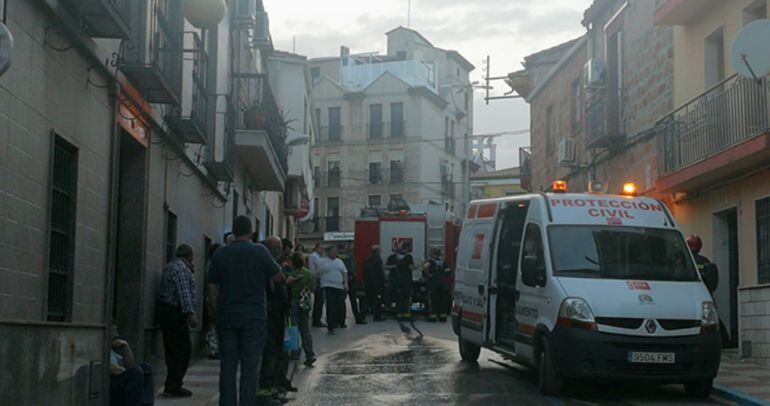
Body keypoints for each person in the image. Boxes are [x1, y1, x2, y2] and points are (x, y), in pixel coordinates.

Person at [208, 217, 285, 406]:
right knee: (250, 367)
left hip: (227, 314)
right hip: (254, 316)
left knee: (227, 365)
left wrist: (214, 312)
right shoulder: (260, 251)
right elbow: (279, 277)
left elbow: (211, 288)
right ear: (251, 233)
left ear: (233, 232)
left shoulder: (221, 254)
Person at [257, 237, 296, 404]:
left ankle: (276, 385)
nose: (279, 249)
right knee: (270, 353)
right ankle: (266, 390)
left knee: (280, 351)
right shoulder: (267, 265)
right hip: (271, 315)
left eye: (280, 246)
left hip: (280, 314)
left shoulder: (278, 264)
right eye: (275, 247)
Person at [156, 244, 198, 398]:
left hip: (166, 312)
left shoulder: (171, 266)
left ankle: (172, 384)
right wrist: (191, 314)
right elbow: (184, 292)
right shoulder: (181, 269)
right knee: (183, 350)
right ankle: (174, 385)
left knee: (173, 350)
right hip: (174, 313)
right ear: (190, 256)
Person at [109, 324, 154, 406]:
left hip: (121, 379)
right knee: (135, 372)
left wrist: (125, 346)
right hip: (110, 385)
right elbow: (112, 369)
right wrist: (128, 372)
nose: (117, 334)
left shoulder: (112, 350)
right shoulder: (102, 349)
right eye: (114, 330)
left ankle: (147, 404)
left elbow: (131, 365)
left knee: (145, 367)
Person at [287, 252, 317, 366]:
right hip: (305, 303)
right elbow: (313, 289)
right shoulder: (309, 274)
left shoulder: (291, 273)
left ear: (292, 262)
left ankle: (295, 353)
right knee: (305, 330)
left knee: (293, 329)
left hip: (293, 302)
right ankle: (310, 354)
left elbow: (286, 283)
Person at [317, 246, 349, 335]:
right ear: (328, 253)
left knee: (339, 305)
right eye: (333, 252)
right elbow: (318, 274)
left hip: (339, 286)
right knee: (330, 306)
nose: (335, 253)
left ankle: (340, 322)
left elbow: (345, 272)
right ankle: (331, 326)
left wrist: (346, 283)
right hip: (328, 286)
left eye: (336, 252)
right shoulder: (323, 262)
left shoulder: (339, 262)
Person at [339, 245, 366, 325]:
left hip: (342, 280)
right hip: (351, 280)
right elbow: (353, 268)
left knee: (341, 301)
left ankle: (341, 321)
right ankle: (358, 319)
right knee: (353, 301)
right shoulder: (350, 256)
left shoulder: (338, 258)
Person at [424, 248, 450, 322]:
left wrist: (428, 274)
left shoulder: (431, 261)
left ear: (433, 254)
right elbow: (448, 271)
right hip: (442, 283)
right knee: (442, 300)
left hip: (433, 283)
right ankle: (442, 317)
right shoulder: (443, 262)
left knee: (432, 300)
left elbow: (425, 267)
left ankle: (432, 316)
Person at [206, 243, 222, 360]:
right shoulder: (213, 265)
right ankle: (214, 348)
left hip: (214, 298)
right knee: (214, 325)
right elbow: (212, 286)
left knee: (214, 325)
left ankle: (215, 347)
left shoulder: (211, 264)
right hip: (214, 298)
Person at [393, 243, 416, 321]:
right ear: (407, 247)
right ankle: (406, 315)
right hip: (406, 280)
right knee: (407, 298)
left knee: (399, 298)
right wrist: (421, 265)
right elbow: (411, 268)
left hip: (398, 280)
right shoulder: (408, 256)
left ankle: (399, 314)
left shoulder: (397, 256)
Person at [362, 245, 386, 322]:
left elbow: (364, 272)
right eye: (380, 250)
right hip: (376, 283)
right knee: (377, 300)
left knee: (367, 300)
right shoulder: (378, 260)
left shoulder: (367, 259)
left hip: (368, 283)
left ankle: (362, 316)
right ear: (377, 251)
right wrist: (383, 281)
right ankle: (377, 317)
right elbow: (380, 272)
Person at [309, 243, 326, 327]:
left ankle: (317, 318)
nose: (322, 250)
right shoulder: (314, 256)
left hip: (320, 280)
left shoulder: (320, 257)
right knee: (319, 300)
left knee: (320, 301)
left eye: (323, 248)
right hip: (317, 280)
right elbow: (317, 269)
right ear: (316, 248)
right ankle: (316, 320)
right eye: (321, 248)